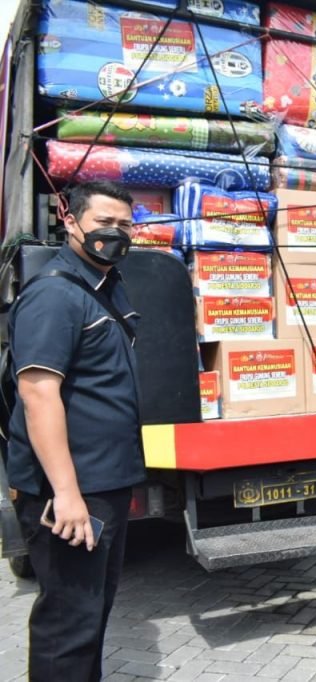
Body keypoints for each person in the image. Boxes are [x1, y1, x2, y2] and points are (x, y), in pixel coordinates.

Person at [7, 181, 143, 681]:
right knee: (68, 623)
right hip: (69, 491)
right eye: (105, 223)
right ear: (71, 222)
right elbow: (38, 393)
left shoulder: (105, 284)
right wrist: (66, 494)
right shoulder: (55, 296)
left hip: (103, 484)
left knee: (91, 612)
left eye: (125, 225)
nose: (116, 234)